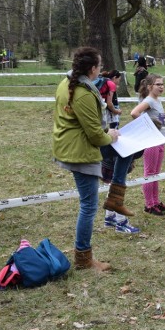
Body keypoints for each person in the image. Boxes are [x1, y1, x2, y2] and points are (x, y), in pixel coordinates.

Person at [52, 47, 119, 271]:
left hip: (71, 147)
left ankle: (83, 255)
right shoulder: (81, 92)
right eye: (100, 67)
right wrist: (110, 135)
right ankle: (83, 258)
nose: (101, 70)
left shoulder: (66, 84)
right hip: (80, 152)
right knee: (89, 206)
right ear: (92, 69)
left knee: (87, 203)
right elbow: (94, 134)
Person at [96, 70, 140, 234]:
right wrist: (115, 112)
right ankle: (120, 221)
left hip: (104, 131)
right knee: (117, 177)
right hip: (106, 133)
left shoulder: (95, 84)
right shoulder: (108, 84)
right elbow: (108, 102)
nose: (119, 84)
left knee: (114, 177)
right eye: (119, 81)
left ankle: (110, 217)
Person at [128, 73, 165, 216]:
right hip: (151, 142)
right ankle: (149, 204)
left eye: (162, 84)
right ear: (150, 86)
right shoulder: (149, 101)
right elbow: (134, 113)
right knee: (150, 173)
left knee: (156, 174)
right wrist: (149, 125)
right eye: (158, 84)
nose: (161, 87)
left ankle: (156, 201)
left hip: (160, 140)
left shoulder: (157, 100)